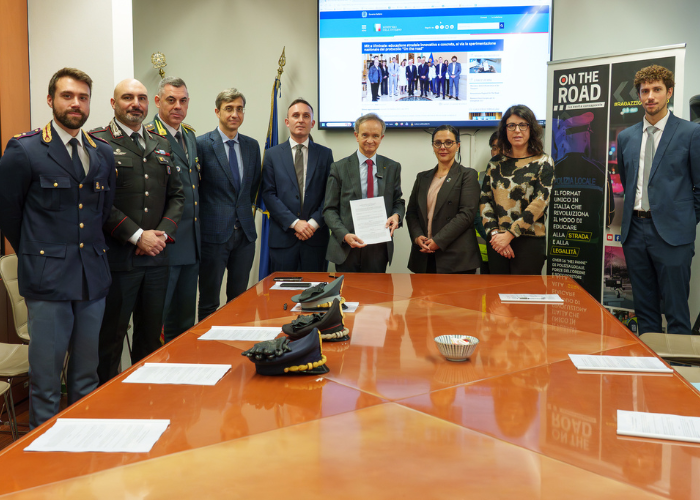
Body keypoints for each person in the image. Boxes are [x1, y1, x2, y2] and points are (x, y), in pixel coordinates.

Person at [0, 68, 115, 428]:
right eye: (68, 96)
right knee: (47, 383)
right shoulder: (25, 149)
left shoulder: (102, 152)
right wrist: (39, 255)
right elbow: (10, 214)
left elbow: (102, 212)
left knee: (86, 378)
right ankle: (43, 457)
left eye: (83, 97)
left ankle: (81, 448)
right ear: (50, 100)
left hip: (92, 279)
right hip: (47, 281)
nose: (76, 103)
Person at [92, 79, 184, 384]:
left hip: (156, 258)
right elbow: (98, 200)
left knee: (150, 339)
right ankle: (106, 404)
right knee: (110, 340)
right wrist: (137, 236)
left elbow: (177, 196)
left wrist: (160, 235)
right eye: (128, 97)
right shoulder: (98, 142)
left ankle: (147, 399)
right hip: (118, 260)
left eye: (142, 98)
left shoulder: (161, 143)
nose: (136, 103)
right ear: (113, 103)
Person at [617, 65, 700, 335]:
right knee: (644, 310)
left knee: (676, 311)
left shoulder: (690, 133)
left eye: (657, 90)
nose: (650, 96)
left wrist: (684, 220)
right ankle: (650, 360)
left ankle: (678, 361)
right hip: (635, 232)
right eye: (645, 91)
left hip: (673, 235)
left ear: (669, 92)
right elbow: (627, 180)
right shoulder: (626, 137)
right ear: (639, 96)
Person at [197, 88, 261, 320]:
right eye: (229, 109)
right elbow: (197, 189)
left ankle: (236, 341)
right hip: (213, 236)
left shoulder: (252, 146)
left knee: (239, 300)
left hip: (244, 236)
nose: (235, 114)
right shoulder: (202, 144)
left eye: (239, 109)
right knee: (209, 301)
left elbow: (252, 188)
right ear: (217, 112)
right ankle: (208, 342)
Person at [145, 76, 200, 343]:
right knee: (158, 321)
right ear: (158, 101)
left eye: (183, 100)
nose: (178, 106)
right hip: (165, 244)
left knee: (186, 320)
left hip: (191, 244)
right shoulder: (148, 136)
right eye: (171, 100)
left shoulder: (189, 135)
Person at [323, 113, 405, 272]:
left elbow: (398, 201)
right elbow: (329, 210)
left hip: (378, 249)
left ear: (381, 137)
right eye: (365, 135)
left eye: (375, 136)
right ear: (356, 135)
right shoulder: (339, 168)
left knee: (377, 289)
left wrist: (396, 216)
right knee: (347, 289)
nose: (370, 140)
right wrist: (344, 235)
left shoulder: (392, 167)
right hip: (347, 247)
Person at [479, 105, 553, 275]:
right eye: (511, 125)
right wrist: (495, 234)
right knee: (497, 291)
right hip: (497, 242)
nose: (517, 130)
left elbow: (539, 204)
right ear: (505, 130)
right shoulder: (495, 163)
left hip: (529, 242)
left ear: (531, 128)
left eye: (522, 125)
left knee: (524, 291)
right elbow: (484, 200)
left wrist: (510, 234)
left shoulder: (543, 162)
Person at [262, 98, 334, 272]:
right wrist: (295, 223)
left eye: (306, 116)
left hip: (315, 239)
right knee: (282, 288)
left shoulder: (325, 154)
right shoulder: (272, 155)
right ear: (287, 122)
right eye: (296, 115)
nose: (301, 120)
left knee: (316, 288)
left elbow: (330, 194)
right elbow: (268, 194)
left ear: (312, 123)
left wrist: (312, 224)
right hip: (283, 239)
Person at [406, 125, 480, 274]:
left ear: (458, 145)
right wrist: (417, 236)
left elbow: (466, 215)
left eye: (448, 142)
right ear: (433, 146)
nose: (442, 147)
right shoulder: (422, 177)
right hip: (424, 254)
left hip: (456, 258)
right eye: (438, 143)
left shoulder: (467, 175)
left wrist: (438, 241)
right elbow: (412, 212)